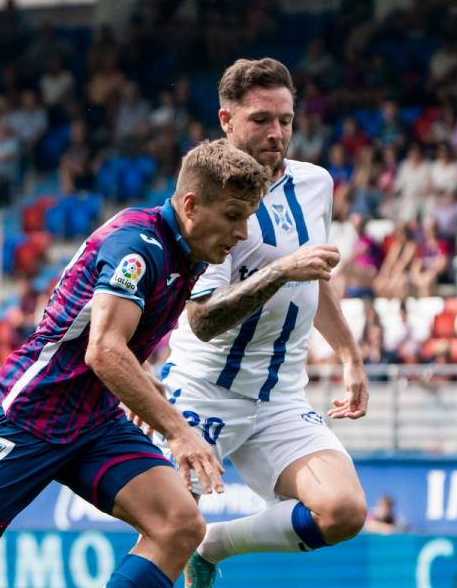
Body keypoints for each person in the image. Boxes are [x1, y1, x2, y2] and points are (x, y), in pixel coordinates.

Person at [0, 138, 271, 588]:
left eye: (247, 218)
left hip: (94, 420)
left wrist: (143, 381)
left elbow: (108, 346)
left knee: (180, 525)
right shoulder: (139, 247)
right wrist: (179, 431)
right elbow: (103, 350)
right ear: (191, 205)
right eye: (233, 216)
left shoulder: (186, 250)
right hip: (31, 414)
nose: (242, 232)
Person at [159, 58, 370, 588]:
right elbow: (203, 319)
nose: (276, 133)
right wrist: (280, 271)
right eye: (260, 120)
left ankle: (216, 545)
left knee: (343, 511)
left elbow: (314, 276)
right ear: (226, 121)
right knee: (166, 532)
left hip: (278, 397)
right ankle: (191, 542)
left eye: (286, 119)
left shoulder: (315, 184)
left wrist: (348, 354)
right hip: (204, 392)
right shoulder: (209, 199)